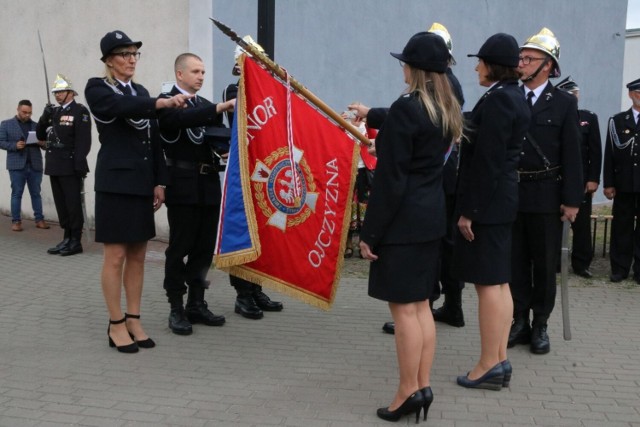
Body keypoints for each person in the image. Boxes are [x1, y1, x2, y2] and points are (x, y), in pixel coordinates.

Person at [357, 32, 464, 422]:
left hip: (402, 221)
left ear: (415, 69)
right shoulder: (444, 107)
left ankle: (407, 391)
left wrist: (370, 232)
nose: (401, 67)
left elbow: (392, 179)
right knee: (421, 307)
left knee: (405, 310)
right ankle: (422, 385)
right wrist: (383, 147)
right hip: (431, 216)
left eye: (404, 62)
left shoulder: (407, 108)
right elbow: (419, 160)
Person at [85, 30, 190, 353]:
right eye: (123, 54)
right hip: (115, 184)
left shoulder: (141, 92)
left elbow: (154, 140)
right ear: (108, 61)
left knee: (138, 255)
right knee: (115, 256)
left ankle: (134, 318)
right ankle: (115, 323)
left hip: (142, 183)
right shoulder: (98, 87)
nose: (131, 59)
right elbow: (119, 107)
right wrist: (160, 102)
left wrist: (159, 181)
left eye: (134, 54)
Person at [452, 33, 530, 391]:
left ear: (492, 64)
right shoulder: (509, 95)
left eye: (480, 61)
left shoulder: (500, 100)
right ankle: (499, 358)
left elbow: (488, 160)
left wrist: (470, 211)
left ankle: (487, 362)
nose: (476, 67)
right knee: (499, 282)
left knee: (488, 284)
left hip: (490, 201)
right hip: (501, 200)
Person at [508, 28, 583, 355]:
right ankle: (519, 320)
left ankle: (540, 324)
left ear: (548, 66)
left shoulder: (564, 103)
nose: (521, 63)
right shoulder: (510, 96)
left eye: (528, 59)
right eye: (520, 58)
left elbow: (572, 155)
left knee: (544, 263)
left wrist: (571, 201)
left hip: (546, 196)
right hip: (513, 193)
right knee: (515, 263)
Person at [157, 53, 234, 335]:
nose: (201, 76)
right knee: (180, 248)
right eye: (195, 71)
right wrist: (220, 107)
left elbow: (213, 136)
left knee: (203, 249)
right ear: (180, 74)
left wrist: (224, 148)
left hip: (208, 183)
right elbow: (179, 120)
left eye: (203, 72)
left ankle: (196, 302)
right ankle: (175, 306)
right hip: (182, 185)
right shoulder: (166, 101)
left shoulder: (204, 105)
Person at [222, 36, 284, 320]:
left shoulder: (266, 91)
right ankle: (242, 294)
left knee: (264, 233)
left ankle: (257, 288)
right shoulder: (233, 90)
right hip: (243, 174)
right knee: (242, 233)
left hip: (265, 171)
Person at [35, 74, 92, 256]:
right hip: (54, 164)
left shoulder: (79, 111)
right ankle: (66, 237)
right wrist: (44, 118)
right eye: (55, 92)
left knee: (73, 204)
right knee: (61, 204)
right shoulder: (55, 112)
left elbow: (84, 141)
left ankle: (76, 240)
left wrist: (79, 164)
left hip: (70, 165)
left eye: (60, 92)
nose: (57, 95)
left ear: (70, 92)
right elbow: (40, 135)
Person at [556, 77, 602, 279]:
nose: (574, 98)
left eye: (576, 94)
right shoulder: (553, 117)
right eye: (570, 95)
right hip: (556, 180)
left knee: (581, 225)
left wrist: (593, 179)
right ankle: (555, 262)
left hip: (581, 182)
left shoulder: (588, 118)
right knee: (554, 225)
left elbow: (595, 152)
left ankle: (582, 264)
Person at [603, 78, 640, 284]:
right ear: (631, 95)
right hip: (624, 183)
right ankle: (619, 268)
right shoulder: (617, 120)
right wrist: (608, 183)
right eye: (638, 93)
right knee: (621, 228)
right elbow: (610, 154)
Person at [0, 100, 49, 231]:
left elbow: (46, 145)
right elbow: (1, 142)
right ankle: (16, 221)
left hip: (35, 164)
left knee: (36, 193)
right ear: (18, 109)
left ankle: (39, 219)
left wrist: (41, 142)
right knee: (17, 193)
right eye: (24, 112)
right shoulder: (6, 124)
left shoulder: (36, 125)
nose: (27, 115)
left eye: (29, 113)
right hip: (16, 165)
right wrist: (14, 146)